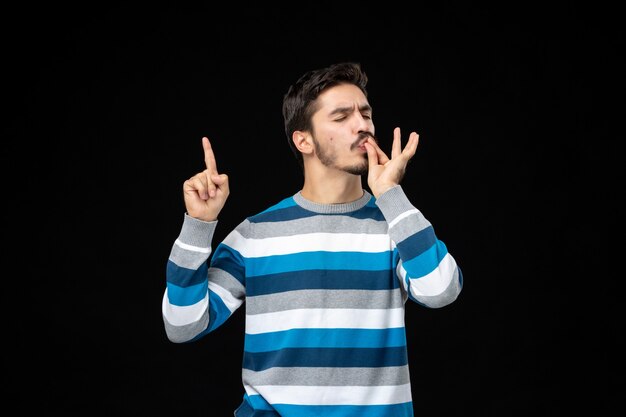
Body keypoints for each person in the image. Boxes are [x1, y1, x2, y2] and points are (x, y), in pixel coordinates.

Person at [162, 62, 463, 417]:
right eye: (341, 116)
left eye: (365, 113)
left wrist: (391, 195)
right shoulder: (255, 234)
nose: (363, 125)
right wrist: (198, 224)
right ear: (303, 139)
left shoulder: (395, 225)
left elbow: (441, 290)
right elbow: (182, 325)